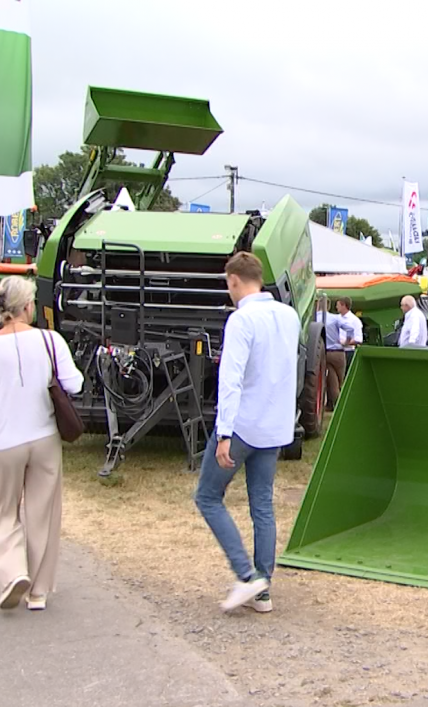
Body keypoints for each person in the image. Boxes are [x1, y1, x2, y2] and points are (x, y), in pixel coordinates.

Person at [0, 276, 84, 610]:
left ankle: (13, 571)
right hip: (44, 438)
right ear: (28, 306)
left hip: (3, 442)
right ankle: (39, 591)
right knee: (43, 513)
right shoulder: (50, 340)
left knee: (0, 513)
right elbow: (74, 384)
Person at [195, 252, 299, 614]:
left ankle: (246, 573)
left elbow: (231, 379)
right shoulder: (289, 316)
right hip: (275, 425)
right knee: (262, 506)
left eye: (228, 283)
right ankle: (263, 588)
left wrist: (224, 432)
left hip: (242, 425)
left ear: (235, 280)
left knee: (208, 496)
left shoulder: (241, 320)